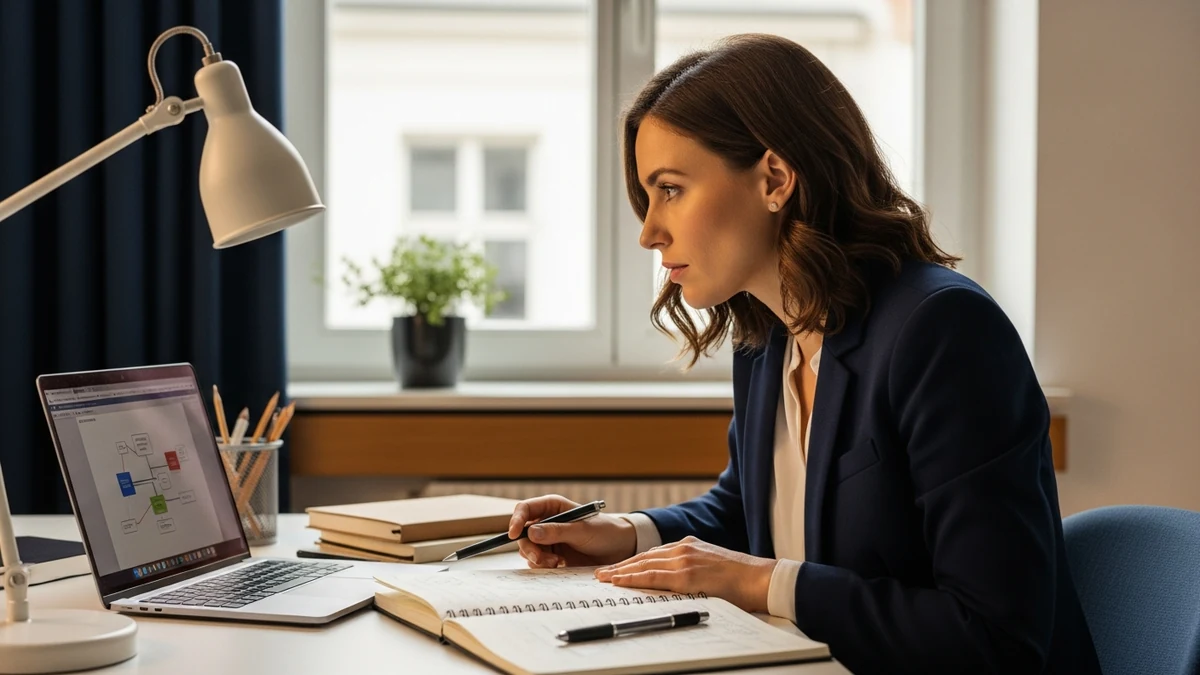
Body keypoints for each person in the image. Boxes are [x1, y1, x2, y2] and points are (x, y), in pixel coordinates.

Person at [506, 34, 1100, 674]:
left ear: (775, 179)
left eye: (671, 189)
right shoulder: (767, 333)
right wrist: (626, 535)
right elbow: (746, 510)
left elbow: (995, 638)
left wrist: (762, 584)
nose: (649, 231)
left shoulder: (944, 331)